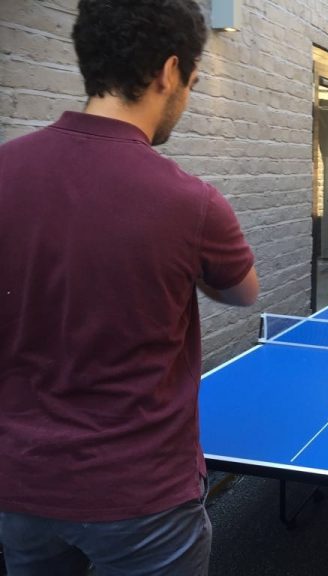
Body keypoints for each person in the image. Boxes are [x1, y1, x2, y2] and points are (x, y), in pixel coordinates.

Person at [0, 1, 259, 574]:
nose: (187, 99)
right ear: (169, 73)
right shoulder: (191, 202)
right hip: (145, 503)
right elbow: (244, 293)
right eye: (191, 82)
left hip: (20, 489)